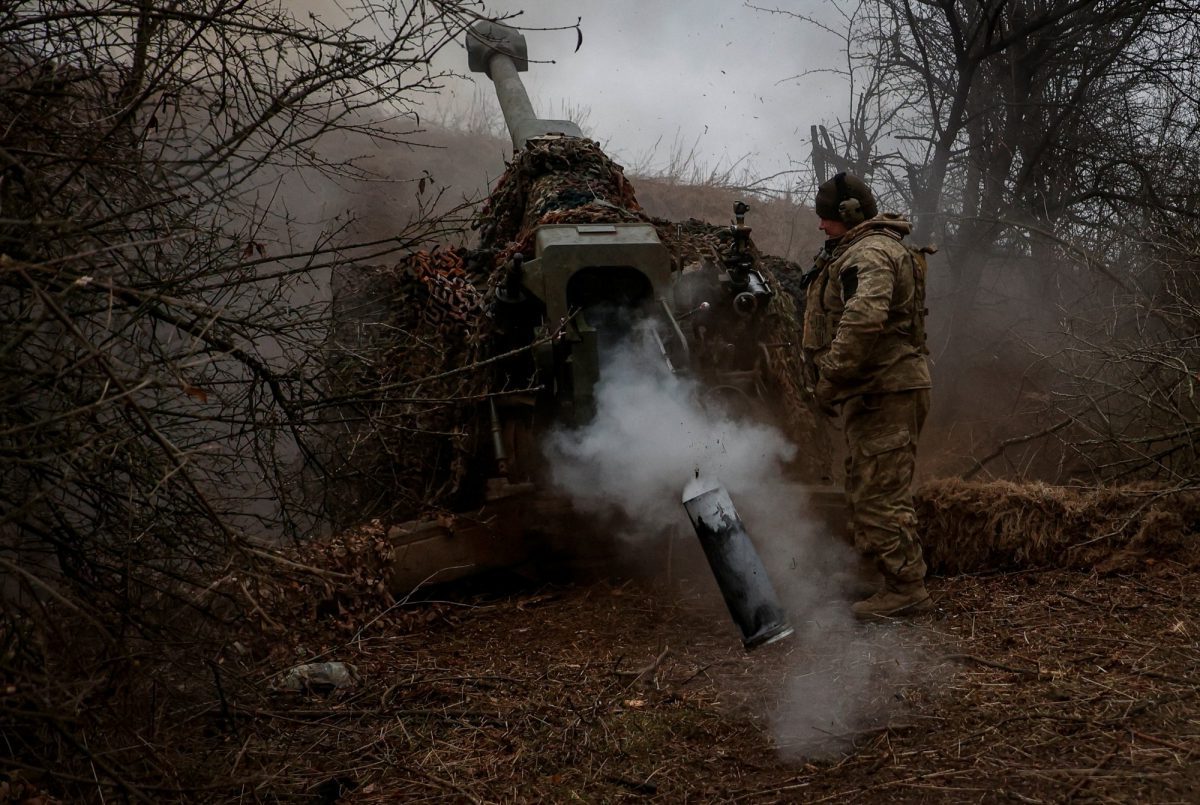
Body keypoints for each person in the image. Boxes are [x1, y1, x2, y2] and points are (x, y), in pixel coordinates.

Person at [801, 172, 933, 619]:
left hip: (887, 388)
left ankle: (905, 587)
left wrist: (829, 379)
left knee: (881, 493)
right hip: (877, 389)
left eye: (826, 218)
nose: (820, 226)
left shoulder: (872, 252)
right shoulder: (862, 249)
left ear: (849, 214)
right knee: (863, 484)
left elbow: (863, 321)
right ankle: (878, 574)